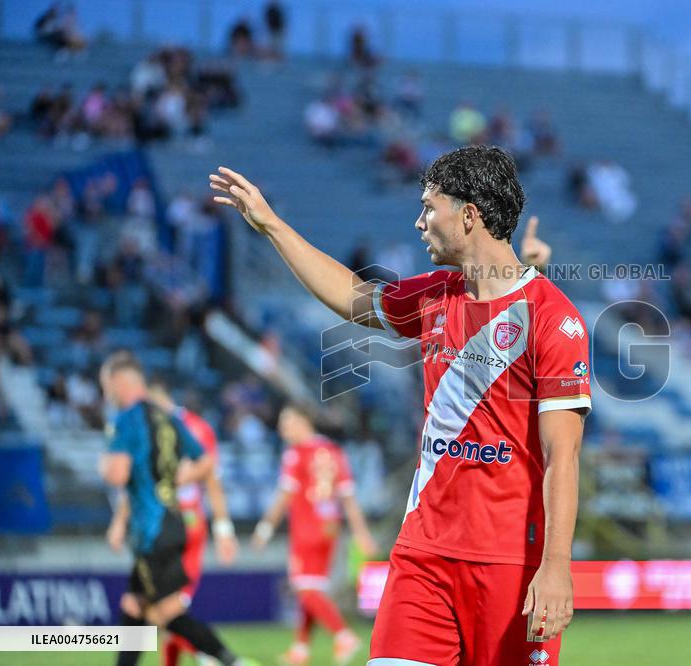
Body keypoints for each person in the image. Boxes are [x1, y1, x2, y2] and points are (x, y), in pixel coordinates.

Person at [210, 144, 590, 665]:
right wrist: (274, 226)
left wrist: (556, 566)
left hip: (509, 563)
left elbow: (561, 458)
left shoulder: (552, 318)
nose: (419, 223)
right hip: (423, 555)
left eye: (430, 208)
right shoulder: (434, 294)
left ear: (469, 215)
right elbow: (352, 298)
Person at [98, 351, 255, 666]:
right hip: (174, 522)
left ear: (119, 382)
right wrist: (179, 476)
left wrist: (103, 464)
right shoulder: (169, 418)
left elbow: (118, 475)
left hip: (151, 530)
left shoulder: (127, 420)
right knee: (134, 605)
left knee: (165, 613)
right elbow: (207, 461)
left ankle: (230, 661)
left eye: (107, 387)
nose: (107, 395)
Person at [252, 405, 377, 665]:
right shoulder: (333, 451)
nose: (281, 428)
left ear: (303, 421)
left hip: (307, 527)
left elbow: (284, 496)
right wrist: (361, 532)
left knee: (305, 588)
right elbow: (348, 498)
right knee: (312, 587)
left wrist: (264, 529)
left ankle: (343, 634)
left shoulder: (296, 454)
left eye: (286, 422)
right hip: (329, 528)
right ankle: (301, 648)